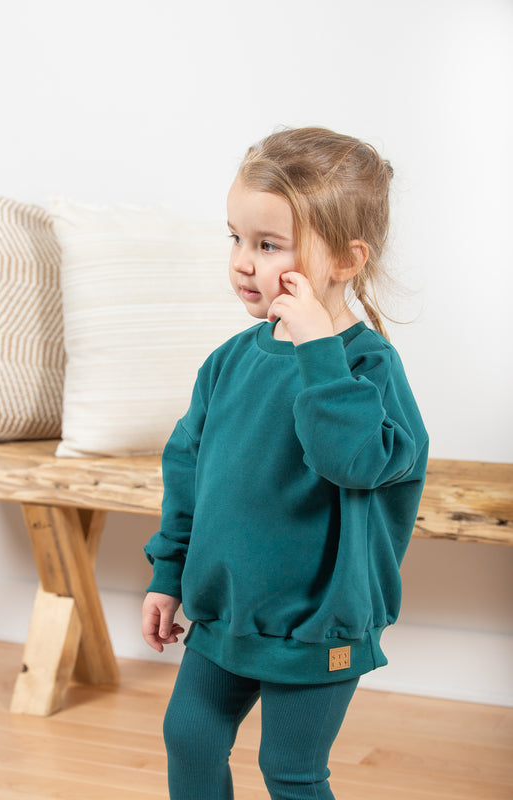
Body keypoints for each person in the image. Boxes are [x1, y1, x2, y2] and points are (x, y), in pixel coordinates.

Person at [142, 126, 429, 800]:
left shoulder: (364, 366)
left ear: (346, 260)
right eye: (235, 238)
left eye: (267, 245)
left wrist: (318, 351)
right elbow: (187, 474)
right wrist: (168, 573)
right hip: (223, 615)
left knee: (291, 772)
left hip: (316, 626)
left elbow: (355, 462)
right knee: (189, 738)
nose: (243, 262)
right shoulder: (230, 362)